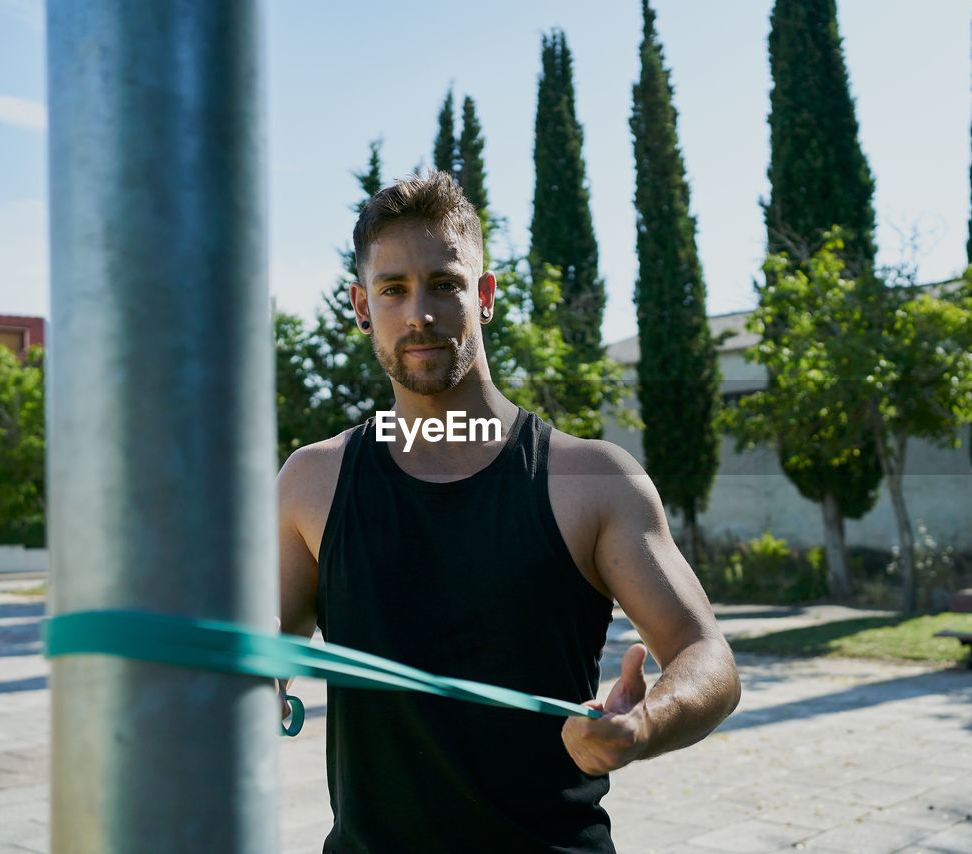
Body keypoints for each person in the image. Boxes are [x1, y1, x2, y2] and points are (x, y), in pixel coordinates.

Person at [277, 171, 741, 853]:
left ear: (485, 295)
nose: (419, 314)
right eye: (393, 289)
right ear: (360, 305)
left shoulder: (592, 480)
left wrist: (643, 726)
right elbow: (260, 648)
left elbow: (708, 657)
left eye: (445, 283)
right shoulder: (313, 483)